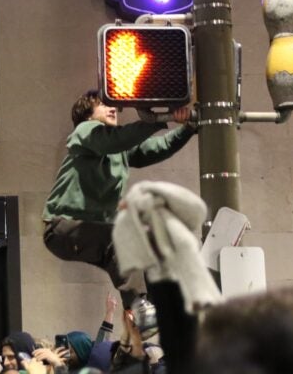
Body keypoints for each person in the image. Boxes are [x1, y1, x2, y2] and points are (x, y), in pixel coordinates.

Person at [42, 90, 196, 307]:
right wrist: (157, 120)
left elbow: (158, 148)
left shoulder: (118, 147)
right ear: (87, 115)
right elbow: (115, 140)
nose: (113, 108)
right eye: (104, 105)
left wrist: (188, 128)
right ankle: (139, 306)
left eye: (113, 106)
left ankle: (143, 316)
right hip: (62, 228)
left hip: (91, 231)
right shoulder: (84, 132)